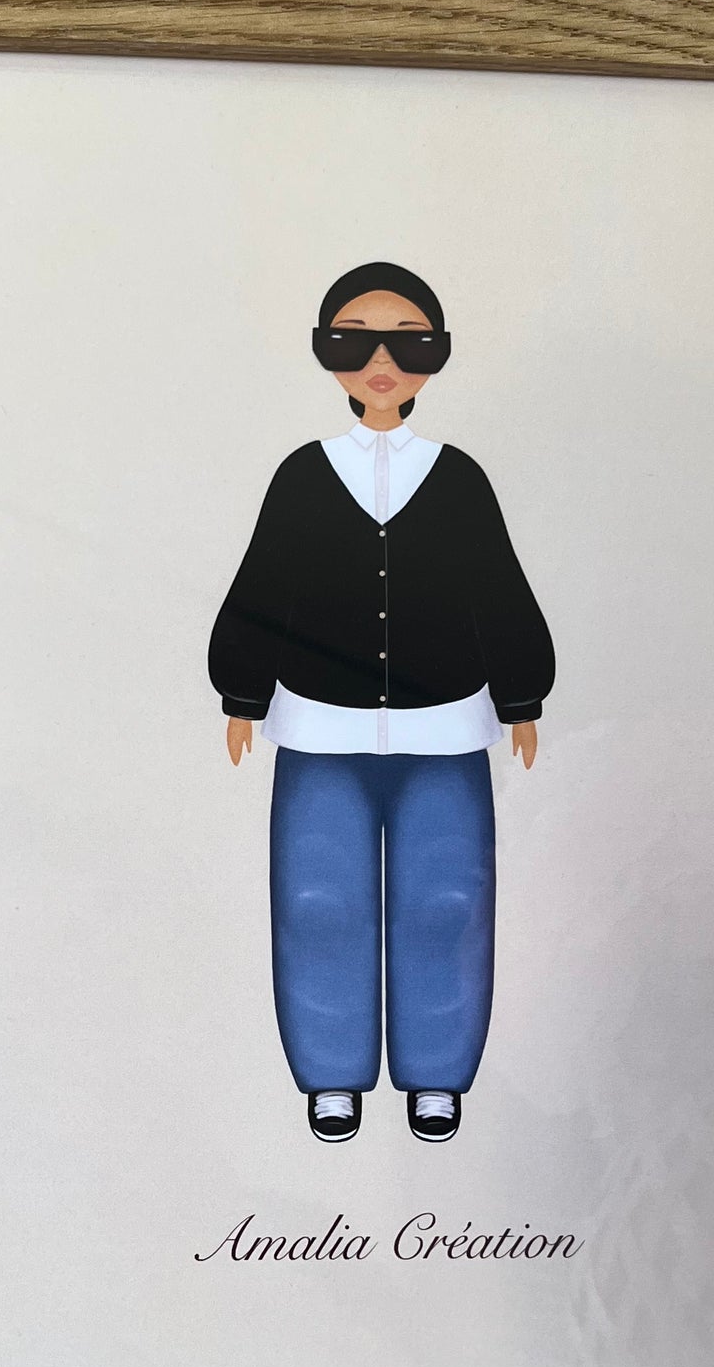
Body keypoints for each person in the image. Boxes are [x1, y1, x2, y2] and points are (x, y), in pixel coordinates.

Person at [209, 262, 555, 1143]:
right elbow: (263, 583)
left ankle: (437, 1074)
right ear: (327, 352)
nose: (381, 362)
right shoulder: (303, 475)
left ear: (437, 355)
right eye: (354, 340)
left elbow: (498, 588)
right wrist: (242, 689)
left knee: (447, 900)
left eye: (408, 343)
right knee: (318, 900)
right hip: (318, 727)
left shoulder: (459, 477)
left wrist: (521, 694)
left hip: (446, 729)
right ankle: (331, 1074)